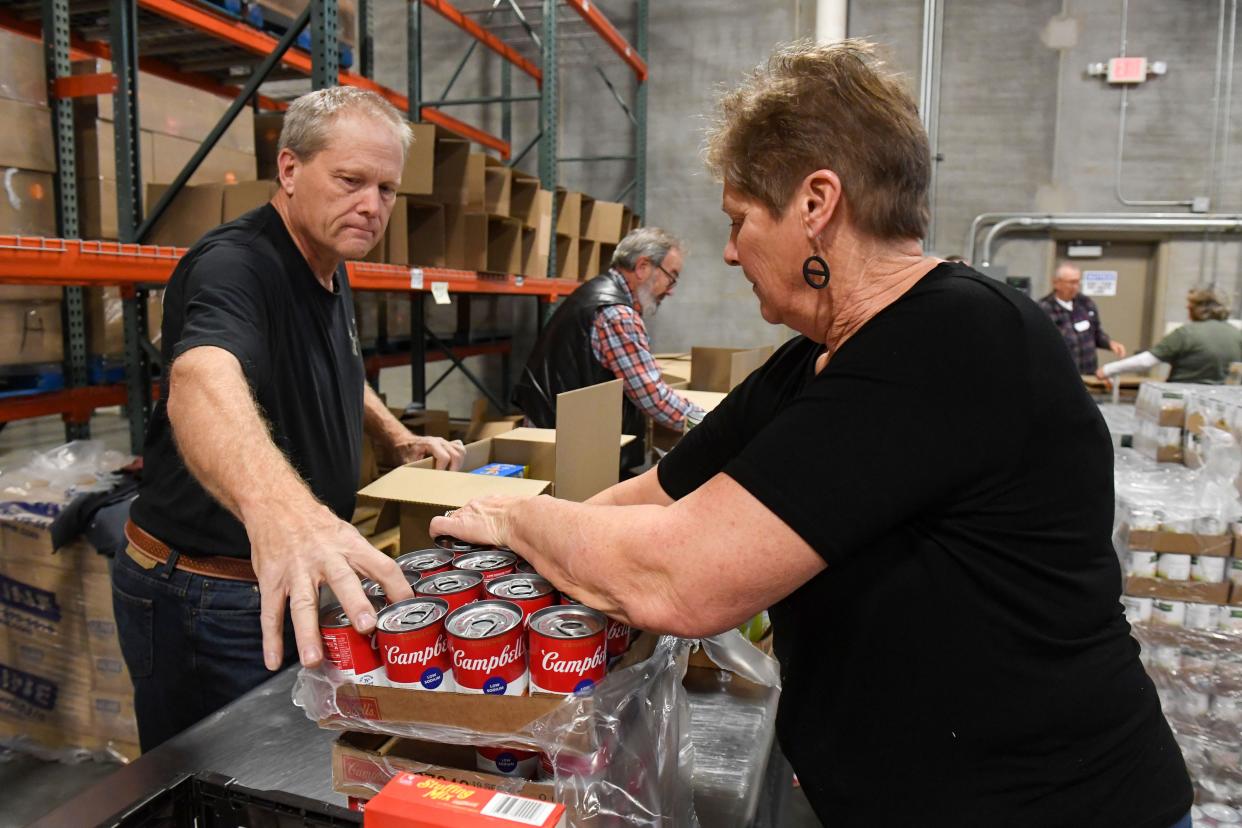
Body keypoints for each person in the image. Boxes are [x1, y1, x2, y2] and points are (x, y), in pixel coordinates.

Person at [431, 41, 1193, 828]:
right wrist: (499, 551)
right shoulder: (815, 360)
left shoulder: (954, 338)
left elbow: (682, 578)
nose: (729, 252)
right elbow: (652, 495)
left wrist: (520, 518)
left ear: (816, 203)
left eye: (739, 220)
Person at [114, 87, 465, 751]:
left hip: (281, 580)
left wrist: (393, 435)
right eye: (351, 180)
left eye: (387, 189)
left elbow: (334, 367)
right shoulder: (235, 264)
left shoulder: (331, 258)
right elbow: (199, 379)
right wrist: (287, 512)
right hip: (207, 595)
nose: (371, 206)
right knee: (214, 786)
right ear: (290, 169)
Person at [512, 227, 705, 472]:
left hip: (554, 431)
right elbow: (651, 396)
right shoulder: (618, 314)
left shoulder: (596, 291)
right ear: (643, 267)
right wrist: (706, 421)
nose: (671, 289)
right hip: (564, 444)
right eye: (672, 276)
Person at [1099, 287, 1242, 384]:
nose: (1187, 308)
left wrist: (1108, 369)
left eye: (1190, 305)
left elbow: (1147, 361)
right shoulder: (1237, 334)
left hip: (1183, 399)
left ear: (1199, 309)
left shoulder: (1186, 334)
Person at [1039, 262, 1127, 374]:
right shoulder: (1044, 308)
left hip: (1088, 372)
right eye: (1071, 282)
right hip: (1060, 373)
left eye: (1078, 282)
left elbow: (1096, 332)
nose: (1076, 286)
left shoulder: (1086, 303)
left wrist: (1109, 343)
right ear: (1056, 283)